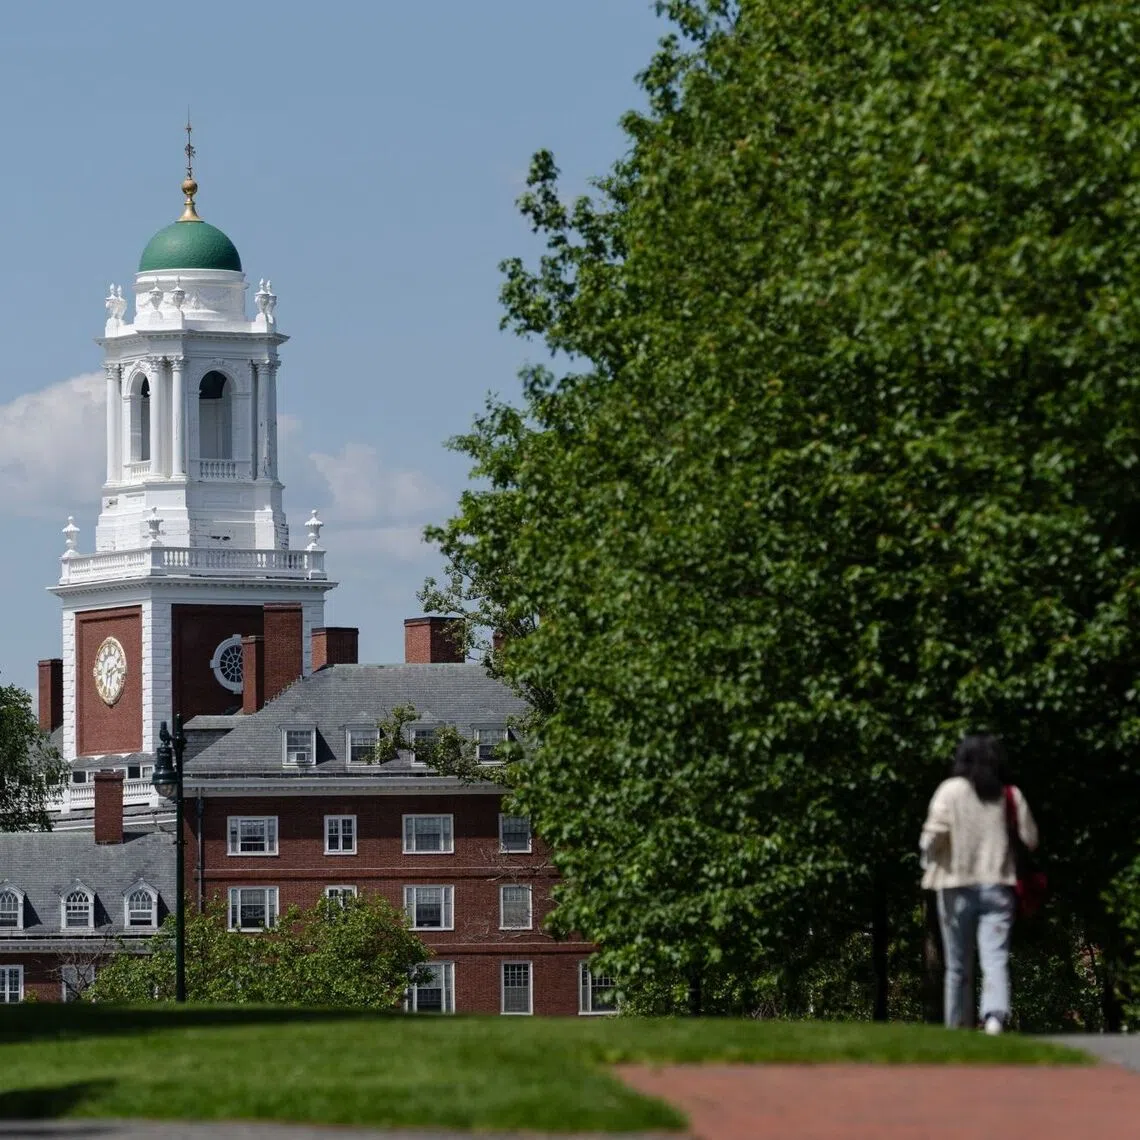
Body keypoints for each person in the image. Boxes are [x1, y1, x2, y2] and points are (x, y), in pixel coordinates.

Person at [919, 733, 1038, 1034]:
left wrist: (929, 858)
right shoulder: (1008, 794)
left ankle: (956, 1024)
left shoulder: (951, 791)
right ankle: (994, 1019)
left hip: (955, 886)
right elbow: (1031, 839)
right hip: (998, 885)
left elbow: (933, 835)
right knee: (994, 958)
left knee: (957, 965)